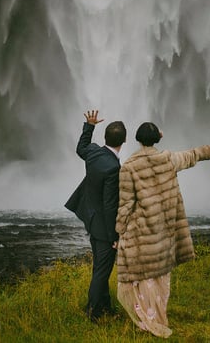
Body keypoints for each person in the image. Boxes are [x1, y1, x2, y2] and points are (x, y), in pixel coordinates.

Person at [114, 121, 210, 338]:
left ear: (138, 139)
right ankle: (158, 317)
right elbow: (192, 155)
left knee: (143, 276)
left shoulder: (128, 167)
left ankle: (147, 319)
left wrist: (119, 231)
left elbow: (126, 204)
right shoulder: (167, 159)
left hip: (142, 232)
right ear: (158, 138)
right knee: (160, 277)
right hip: (164, 231)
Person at [64, 109, 126, 321]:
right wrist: (114, 237)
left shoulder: (94, 152)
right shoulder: (113, 167)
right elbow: (110, 206)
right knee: (101, 271)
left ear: (105, 138)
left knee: (101, 267)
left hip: (90, 218)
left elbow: (81, 147)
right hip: (103, 227)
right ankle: (93, 312)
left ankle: (104, 307)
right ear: (123, 141)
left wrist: (89, 126)